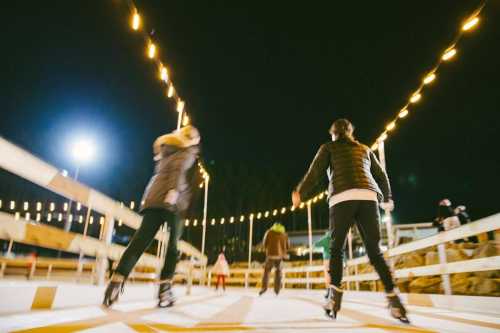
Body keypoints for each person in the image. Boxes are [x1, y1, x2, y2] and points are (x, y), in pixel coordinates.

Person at [292, 118, 409, 323]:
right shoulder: (364, 149)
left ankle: (334, 299)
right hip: (368, 196)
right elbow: (381, 176)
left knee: (336, 248)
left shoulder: (328, 147)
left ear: (333, 134)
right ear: (350, 132)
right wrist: (387, 197)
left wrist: (300, 192)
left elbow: (315, 172)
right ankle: (394, 300)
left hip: (342, 197)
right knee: (375, 251)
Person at [103, 125, 202, 308]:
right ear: (193, 140)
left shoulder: (167, 149)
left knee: (139, 242)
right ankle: (165, 287)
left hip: (153, 200)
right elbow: (178, 172)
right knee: (173, 246)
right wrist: (173, 192)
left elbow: (161, 175)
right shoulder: (187, 152)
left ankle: (116, 281)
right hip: (173, 203)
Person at [259, 222, 289, 296]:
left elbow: (264, 243)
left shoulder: (269, 232)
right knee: (278, 272)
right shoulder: (284, 234)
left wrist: (267, 248)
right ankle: (277, 290)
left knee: (266, 272)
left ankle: (264, 288)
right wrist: (283, 251)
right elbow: (288, 245)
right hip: (280, 256)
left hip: (270, 255)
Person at [314, 231, 332, 299]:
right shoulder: (336, 237)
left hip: (327, 259)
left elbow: (316, 244)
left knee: (327, 275)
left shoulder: (325, 238)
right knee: (334, 275)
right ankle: (334, 292)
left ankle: (328, 292)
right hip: (335, 258)